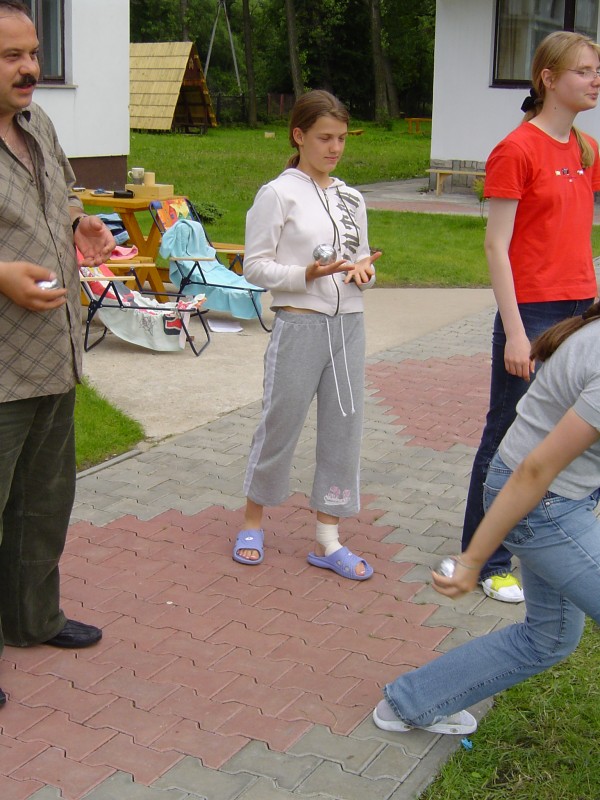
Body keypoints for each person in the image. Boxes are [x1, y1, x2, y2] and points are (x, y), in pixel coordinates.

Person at [374, 302, 600, 735]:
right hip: (540, 504)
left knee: (549, 638)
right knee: (549, 636)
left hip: (543, 496)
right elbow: (535, 470)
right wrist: (473, 561)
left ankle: (411, 702)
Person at [0, 2, 115, 708]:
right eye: (10, 56)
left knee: (44, 502)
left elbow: (60, 194)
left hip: (52, 353)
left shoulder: (37, 123)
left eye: (34, 53)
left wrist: (80, 221)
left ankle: (31, 619)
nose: (30, 69)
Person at [461, 30, 600, 604]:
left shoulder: (588, 150)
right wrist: (516, 333)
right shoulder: (515, 150)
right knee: (507, 433)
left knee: (573, 433)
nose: (595, 80)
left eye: (597, 70)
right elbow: (497, 247)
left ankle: (552, 539)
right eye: (584, 70)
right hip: (533, 313)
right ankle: (485, 559)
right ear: (548, 77)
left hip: (582, 308)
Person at [233, 89, 380, 579]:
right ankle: (252, 522)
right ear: (299, 136)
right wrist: (305, 275)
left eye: (342, 138)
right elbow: (254, 265)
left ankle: (328, 539)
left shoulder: (352, 197)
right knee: (280, 424)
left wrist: (364, 272)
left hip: (349, 327)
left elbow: (361, 258)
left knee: (344, 429)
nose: (335, 148)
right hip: (299, 324)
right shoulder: (278, 193)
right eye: (325, 138)